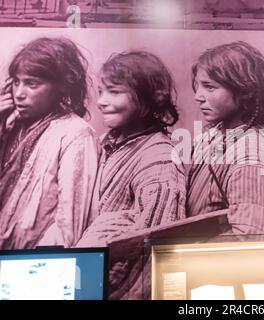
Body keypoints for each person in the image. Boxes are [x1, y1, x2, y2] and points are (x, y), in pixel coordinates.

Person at [76, 51, 186, 299]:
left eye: (114, 92)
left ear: (152, 97)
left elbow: (155, 242)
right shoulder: (110, 141)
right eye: (102, 91)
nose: (101, 101)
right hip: (94, 276)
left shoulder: (159, 157)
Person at [0, 37, 99, 249]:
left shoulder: (75, 134)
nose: (19, 93)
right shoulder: (10, 126)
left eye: (31, 84)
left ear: (61, 87)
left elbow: (69, 224)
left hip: (36, 264)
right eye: (16, 82)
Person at [186, 41, 264, 237]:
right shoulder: (215, 136)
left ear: (244, 91)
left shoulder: (251, 157)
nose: (198, 96)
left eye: (210, 87)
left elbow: (252, 239)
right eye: (198, 86)